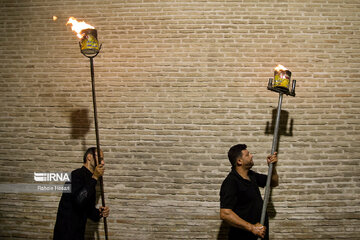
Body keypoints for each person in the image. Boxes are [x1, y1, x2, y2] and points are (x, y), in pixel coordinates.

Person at [220, 144, 278, 240]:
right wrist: (252, 228)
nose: (251, 155)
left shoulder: (251, 175)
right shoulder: (231, 182)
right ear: (239, 161)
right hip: (243, 237)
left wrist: (272, 167)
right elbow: (225, 214)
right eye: (247, 155)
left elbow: (273, 182)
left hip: (259, 234)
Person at [53, 147, 110, 240]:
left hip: (78, 233)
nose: (102, 163)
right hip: (66, 233)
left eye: (103, 159)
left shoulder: (91, 180)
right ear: (89, 157)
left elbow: (87, 210)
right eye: (100, 159)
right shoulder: (76, 175)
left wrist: (100, 213)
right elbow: (79, 200)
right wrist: (95, 177)